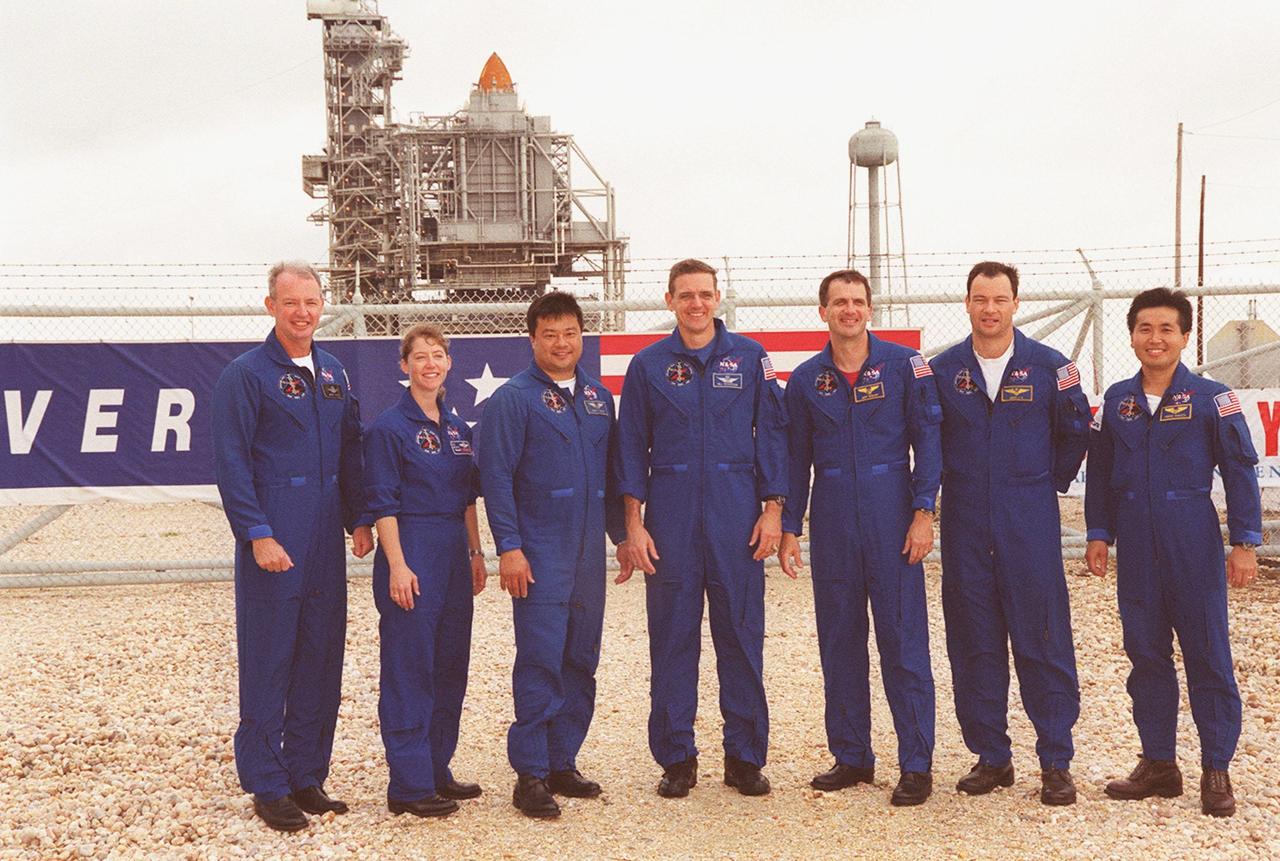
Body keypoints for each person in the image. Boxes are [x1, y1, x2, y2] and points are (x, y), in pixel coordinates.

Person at [1085, 288, 1262, 818]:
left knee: (1208, 654)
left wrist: (1245, 543)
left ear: (1185, 336)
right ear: (1132, 335)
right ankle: (1160, 764)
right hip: (1136, 543)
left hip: (1192, 538)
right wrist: (1098, 532)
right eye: (1144, 329)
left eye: (1166, 329)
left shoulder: (1213, 398)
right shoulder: (1117, 400)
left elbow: (1239, 471)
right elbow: (1099, 475)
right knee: (1145, 655)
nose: (1154, 339)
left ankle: (1216, 769)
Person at [616, 258, 789, 798]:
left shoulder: (750, 357)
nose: (696, 304)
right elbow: (629, 448)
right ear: (669, 300)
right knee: (671, 639)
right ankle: (676, 757)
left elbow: (774, 436)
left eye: (705, 294)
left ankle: (744, 757)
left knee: (741, 636)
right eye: (685, 295)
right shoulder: (647, 365)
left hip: (737, 512)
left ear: (718, 299)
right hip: (670, 514)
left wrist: (774, 509)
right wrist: (633, 526)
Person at [212, 261, 373, 832]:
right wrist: (256, 533)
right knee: (269, 657)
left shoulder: (333, 372)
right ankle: (266, 781)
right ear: (270, 306)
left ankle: (307, 773)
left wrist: (358, 518)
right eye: (290, 302)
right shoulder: (246, 375)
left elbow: (350, 449)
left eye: (311, 301)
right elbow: (231, 462)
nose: (302, 312)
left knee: (320, 655)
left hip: (326, 533)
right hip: (276, 533)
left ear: (322, 303)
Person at [929, 261, 1090, 806]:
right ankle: (992, 756)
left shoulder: (1050, 367)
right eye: (980, 298)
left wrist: (1044, 483)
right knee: (973, 641)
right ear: (967, 303)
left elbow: (1075, 430)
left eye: (1000, 298)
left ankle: (1055, 759)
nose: (990, 309)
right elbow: (926, 440)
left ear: (1016, 303)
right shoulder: (941, 369)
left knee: (1042, 637)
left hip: (1030, 521)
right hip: (966, 522)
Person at [779, 269, 942, 806]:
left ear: (870, 309)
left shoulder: (904, 367)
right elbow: (794, 460)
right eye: (838, 302)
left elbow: (929, 442)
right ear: (822, 311)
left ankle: (916, 763)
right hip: (832, 518)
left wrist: (923, 511)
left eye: (857, 301)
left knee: (903, 642)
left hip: (892, 511)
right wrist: (789, 528)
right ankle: (851, 755)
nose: (848, 310)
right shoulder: (806, 380)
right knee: (840, 640)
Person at [477, 291, 625, 819]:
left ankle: (564, 759)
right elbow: (495, 479)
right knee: (540, 658)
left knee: (580, 657)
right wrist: (509, 549)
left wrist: (622, 536)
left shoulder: (597, 399)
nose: (562, 344)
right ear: (533, 339)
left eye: (570, 333)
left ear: (582, 336)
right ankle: (531, 773)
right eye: (550, 335)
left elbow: (612, 474)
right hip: (539, 551)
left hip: (587, 554)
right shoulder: (513, 400)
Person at [363, 324, 488, 819]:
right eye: (420, 356)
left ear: (449, 363)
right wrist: (397, 565)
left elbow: (467, 499)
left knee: (449, 665)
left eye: (438, 355)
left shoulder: (457, 430)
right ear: (404, 366)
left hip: (454, 553)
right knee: (410, 667)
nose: (430, 364)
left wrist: (477, 554)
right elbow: (382, 503)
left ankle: (438, 767)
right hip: (411, 548)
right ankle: (409, 785)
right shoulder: (389, 428)